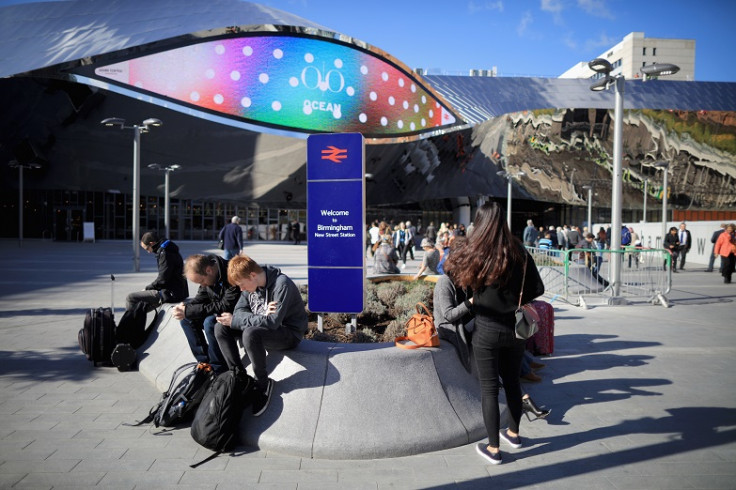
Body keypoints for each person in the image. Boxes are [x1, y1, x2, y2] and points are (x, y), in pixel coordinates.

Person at [446, 202, 545, 465]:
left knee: (490, 390)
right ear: (503, 221)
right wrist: (514, 297)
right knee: (513, 382)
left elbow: (450, 272)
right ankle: (514, 434)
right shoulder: (520, 253)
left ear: (479, 223)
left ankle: (493, 449)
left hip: (486, 330)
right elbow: (538, 289)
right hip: (515, 329)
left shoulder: (474, 252)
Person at [433, 246, 550, 420]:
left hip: (468, 324)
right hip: (452, 329)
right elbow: (448, 316)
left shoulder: (465, 282)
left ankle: (522, 395)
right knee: (491, 336)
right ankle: (520, 394)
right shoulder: (444, 282)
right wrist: (472, 301)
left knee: (498, 333)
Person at [214, 254, 308, 416]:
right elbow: (239, 311)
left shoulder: (281, 285)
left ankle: (261, 385)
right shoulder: (250, 286)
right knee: (220, 327)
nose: (241, 289)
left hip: (288, 333)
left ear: (252, 276)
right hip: (264, 327)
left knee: (250, 333)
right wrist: (262, 316)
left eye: (242, 285)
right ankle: (238, 376)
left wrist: (253, 318)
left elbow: (272, 323)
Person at [171, 254, 240, 373]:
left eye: (201, 281)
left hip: (236, 316)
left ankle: (218, 367)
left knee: (209, 322)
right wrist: (184, 308)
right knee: (186, 319)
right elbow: (200, 299)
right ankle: (204, 362)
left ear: (209, 270)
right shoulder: (208, 278)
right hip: (220, 312)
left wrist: (189, 310)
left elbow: (225, 305)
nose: (202, 285)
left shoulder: (232, 273)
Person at [125, 231, 188, 312]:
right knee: (140, 308)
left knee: (131, 298)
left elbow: (163, 279)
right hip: (177, 291)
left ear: (151, 243)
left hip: (171, 293)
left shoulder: (165, 253)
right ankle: (135, 320)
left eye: (147, 248)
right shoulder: (168, 249)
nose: (148, 252)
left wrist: (147, 288)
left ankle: (130, 323)